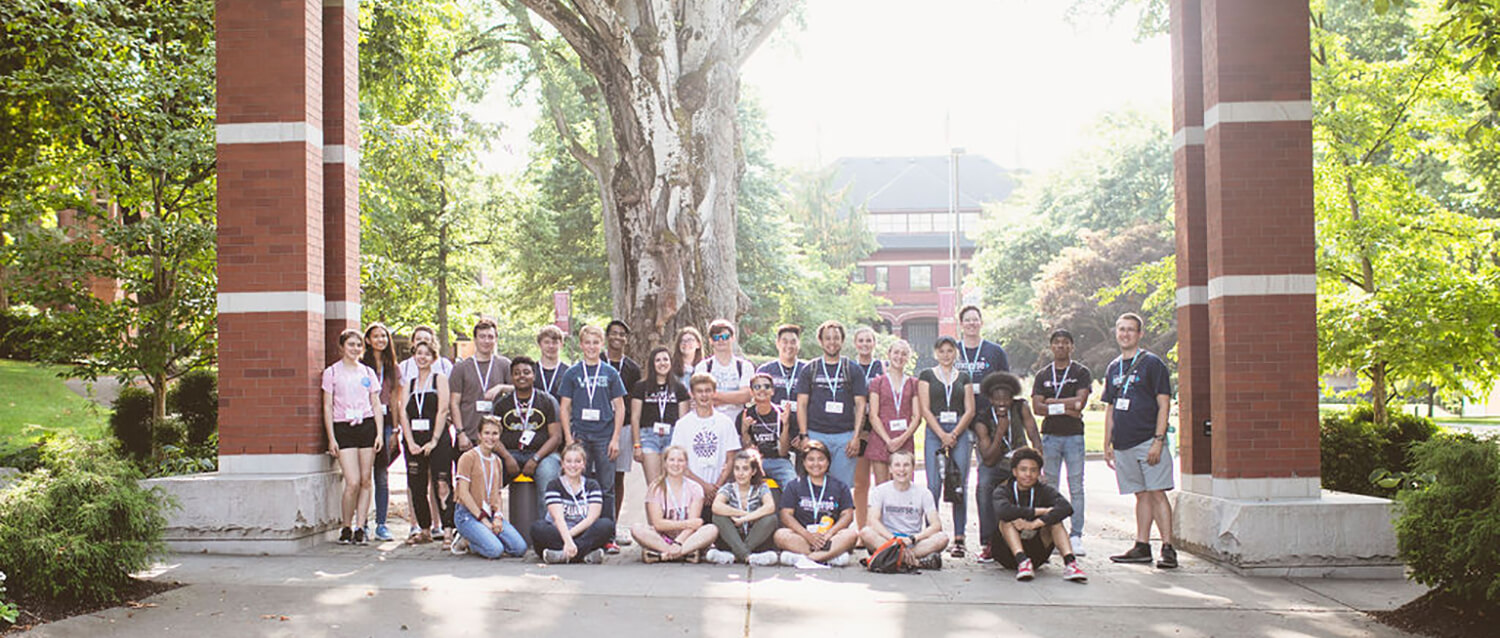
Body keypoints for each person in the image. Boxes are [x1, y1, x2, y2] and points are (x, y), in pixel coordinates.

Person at [1103, 312, 1177, 569]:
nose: (1125, 334)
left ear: (1140, 334)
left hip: (1148, 440)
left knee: (1157, 493)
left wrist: (1158, 439)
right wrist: (1107, 443)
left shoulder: (1152, 364)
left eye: (1130, 330)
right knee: (1141, 495)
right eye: (1121, 329)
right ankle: (1142, 545)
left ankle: (1168, 548)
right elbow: (1110, 407)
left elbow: (1163, 402)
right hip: (1123, 443)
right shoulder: (1113, 367)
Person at [1030, 329, 1093, 556]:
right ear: (1051, 347)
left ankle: (1076, 536)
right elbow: (1037, 408)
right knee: (1050, 487)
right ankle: (1054, 533)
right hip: (1050, 437)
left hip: (1074, 436)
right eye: (1057, 343)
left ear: (1072, 347)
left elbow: (1081, 404)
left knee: (1076, 486)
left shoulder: (1081, 372)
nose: (1061, 346)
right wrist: (1067, 406)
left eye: (1066, 343)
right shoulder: (1043, 374)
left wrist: (1052, 402)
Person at [447, 318, 513, 534]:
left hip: (496, 438)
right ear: (475, 339)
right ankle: (465, 527)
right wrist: (460, 433)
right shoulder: (461, 367)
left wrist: (501, 386)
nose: (487, 341)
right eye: (482, 336)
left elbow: (520, 388)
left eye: (491, 337)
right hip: (469, 435)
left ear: (496, 339)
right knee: (467, 485)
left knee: (493, 485)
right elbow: (454, 402)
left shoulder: (503, 364)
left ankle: (494, 522)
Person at [556, 325, 628, 516]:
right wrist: (568, 440)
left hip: (605, 436)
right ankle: (582, 527)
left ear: (602, 345)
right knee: (580, 484)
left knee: (607, 486)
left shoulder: (610, 373)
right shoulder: (572, 373)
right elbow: (564, 407)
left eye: (595, 343)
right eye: (587, 343)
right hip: (580, 436)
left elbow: (620, 407)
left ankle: (607, 533)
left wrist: (615, 438)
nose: (591, 347)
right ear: (581, 345)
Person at [321, 329, 384, 545]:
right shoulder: (332, 372)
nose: (355, 348)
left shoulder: (367, 372)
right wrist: (332, 438)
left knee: (367, 480)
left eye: (358, 345)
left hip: (366, 426)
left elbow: (375, 403)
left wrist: (379, 433)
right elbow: (327, 407)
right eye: (351, 344)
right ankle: (346, 526)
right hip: (343, 427)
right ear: (342, 347)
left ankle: (360, 527)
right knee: (353, 481)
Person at [973, 372, 1042, 562]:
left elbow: (1034, 434)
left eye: (1006, 399)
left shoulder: (1021, 408)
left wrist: (1038, 460)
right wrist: (1001, 431)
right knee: (984, 485)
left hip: (1020, 461)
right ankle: (988, 543)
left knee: (1039, 486)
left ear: (1012, 399)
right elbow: (987, 458)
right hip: (996, 463)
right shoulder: (982, 419)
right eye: (997, 399)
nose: (1002, 403)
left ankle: (1037, 539)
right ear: (990, 399)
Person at [917, 335, 975, 558]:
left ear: (955, 353)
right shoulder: (927, 375)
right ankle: (931, 537)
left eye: (950, 351)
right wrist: (941, 434)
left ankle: (959, 538)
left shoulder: (964, 377)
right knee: (933, 486)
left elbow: (969, 409)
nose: (946, 355)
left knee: (958, 485)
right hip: (935, 432)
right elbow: (924, 408)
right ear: (936, 353)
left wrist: (954, 434)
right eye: (942, 351)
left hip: (959, 432)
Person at [994, 447, 1087, 583]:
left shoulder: (1044, 490)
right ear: (1014, 472)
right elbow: (1003, 510)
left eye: (1033, 470)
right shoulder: (1003, 490)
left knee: (1055, 521)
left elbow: (1066, 507)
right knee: (1006, 520)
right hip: (1007, 553)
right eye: (1023, 470)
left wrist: (1035, 523)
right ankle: (1022, 562)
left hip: (1037, 553)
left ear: (1039, 473)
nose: (1028, 474)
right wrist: (1040, 511)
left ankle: (1070, 564)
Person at [794, 320, 869, 489]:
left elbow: (861, 405)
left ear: (842, 341)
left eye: (836, 338)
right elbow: (802, 404)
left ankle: (841, 517)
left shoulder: (853, 369)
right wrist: (804, 436)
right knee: (813, 486)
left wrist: (856, 437)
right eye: (827, 338)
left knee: (842, 488)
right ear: (820, 341)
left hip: (845, 437)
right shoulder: (810, 369)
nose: (832, 342)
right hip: (816, 435)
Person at [398, 325, 455, 541]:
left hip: (437, 439)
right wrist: (410, 441)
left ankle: (448, 529)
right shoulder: (409, 383)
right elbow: (403, 412)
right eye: (419, 353)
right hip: (414, 441)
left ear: (433, 357)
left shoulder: (439, 378)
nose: (422, 357)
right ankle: (424, 529)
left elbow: (442, 409)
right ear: (414, 355)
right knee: (417, 485)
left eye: (427, 354)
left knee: (442, 484)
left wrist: (434, 440)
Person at [492, 356, 563, 519]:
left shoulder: (547, 401)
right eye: (516, 373)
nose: (521, 376)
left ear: (534, 375)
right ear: (511, 377)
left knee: (548, 475)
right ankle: (488, 526)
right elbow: (493, 437)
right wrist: (507, 458)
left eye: (526, 372)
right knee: (488, 477)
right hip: (509, 453)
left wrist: (536, 459)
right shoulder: (501, 404)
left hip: (543, 455)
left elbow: (556, 437)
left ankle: (546, 531)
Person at [450, 416, 528, 558]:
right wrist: (483, 520)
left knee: (519, 548)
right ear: (479, 435)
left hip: (490, 513)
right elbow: (463, 493)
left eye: (494, 434)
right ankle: (467, 540)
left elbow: (497, 493)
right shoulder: (468, 457)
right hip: (469, 514)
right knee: (495, 551)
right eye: (486, 433)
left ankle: (485, 537)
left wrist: (498, 516)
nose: (490, 438)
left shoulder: (497, 460)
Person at [773, 440, 859, 567]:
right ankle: (829, 557)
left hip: (829, 537)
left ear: (828, 462)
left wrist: (828, 535)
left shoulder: (840, 486)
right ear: (803, 462)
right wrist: (808, 536)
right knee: (780, 535)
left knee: (851, 534)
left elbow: (847, 515)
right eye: (811, 459)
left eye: (821, 459)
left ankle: (809, 558)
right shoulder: (794, 485)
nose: (816, 464)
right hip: (803, 536)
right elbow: (786, 515)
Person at [630, 446, 719, 563]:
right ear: (665, 463)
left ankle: (665, 555)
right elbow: (658, 524)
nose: (676, 464)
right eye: (671, 460)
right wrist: (686, 524)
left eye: (680, 460)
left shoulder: (695, 488)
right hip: (663, 537)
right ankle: (684, 553)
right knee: (636, 529)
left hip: (687, 537)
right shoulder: (656, 488)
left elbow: (694, 525)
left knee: (712, 529)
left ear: (686, 464)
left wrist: (678, 542)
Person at [860, 451, 947, 570]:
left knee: (942, 538)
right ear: (890, 469)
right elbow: (873, 520)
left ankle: (890, 558)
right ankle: (915, 562)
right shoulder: (879, 491)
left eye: (906, 465)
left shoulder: (924, 493)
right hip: (888, 540)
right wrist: (894, 540)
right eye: (897, 465)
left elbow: (936, 525)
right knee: (866, 532)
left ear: (913, 468)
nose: (902, 470)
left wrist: (913, 538)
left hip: (912, 541)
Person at [531, 443, 614, 564]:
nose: (573, 465)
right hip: (558, 532)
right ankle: (584, 555)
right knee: (538, 528)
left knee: (606, 524)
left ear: (584, 464)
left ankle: (562, 555)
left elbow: (591, 518)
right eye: (569, 461)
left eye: (577, 461)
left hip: (582, 533)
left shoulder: (592, 485)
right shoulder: (554, 485)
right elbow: (558, 518)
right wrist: (567, 540)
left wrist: (570, 539)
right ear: (562, 464)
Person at [670, 373, 742, 506]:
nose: (704, 395)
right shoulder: (683, 425)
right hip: (690, 492)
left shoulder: (725, 422)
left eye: (708, 391)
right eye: (699, 391)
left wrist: (716, 488)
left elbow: (730, 458)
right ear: (692, 394)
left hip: (720, 492)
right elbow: (680, 462)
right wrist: (704, 487)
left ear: (714, 392)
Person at [361, 323, 401, 541]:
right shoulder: (361, 366)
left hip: (386, 423)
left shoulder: (393, 367)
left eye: (384, 336)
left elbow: (394, 398)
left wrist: (396, 428)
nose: (380, 340)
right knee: (364, 475)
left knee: (382, 475)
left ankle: (382, 525)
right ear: (368, 340)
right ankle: (362, 523)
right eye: (376, 336)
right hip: (366, 423)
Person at [630, 347, 692, 487]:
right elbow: (635, 418)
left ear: (671, 362)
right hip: (648, 437)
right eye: (658, 360)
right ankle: (653, 510)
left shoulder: (679, 388)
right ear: (652, 364)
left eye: (665, 359)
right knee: (654, 486)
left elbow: (683, 420)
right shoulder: (641, 387)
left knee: (671, 485)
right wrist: (637, 445)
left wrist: (681, 446)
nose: (662, 363)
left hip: (672, 437)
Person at [707, 449, 781, 565]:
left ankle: (735, 556)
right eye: (737, 468)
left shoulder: (761, 487)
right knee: (718, 517)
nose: (740, 473)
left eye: (745, 469)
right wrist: (741, 513)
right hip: (732, 537)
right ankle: (747, 556)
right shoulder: (728, 487)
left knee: (771, 518)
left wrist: (746, 518)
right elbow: (716, 506)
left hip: (755, 537)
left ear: (753, 471)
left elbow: (770, 506)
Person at [604, 319, 642, 541]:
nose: (617, 338)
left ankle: (613, 527)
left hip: (624, 426)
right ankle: (597, 524)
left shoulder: (632, 368)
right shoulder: (596, 361)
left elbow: (635, 402)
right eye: (614, 333)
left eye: (622, 335)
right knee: (597, 477)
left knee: (617, 478)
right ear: (607, 336)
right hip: (599, 426)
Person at [866, 339, 918, 489]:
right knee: (882, 490)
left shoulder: (914, 383)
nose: (899, 357)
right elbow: (873, 415)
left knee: (904, 488)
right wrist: (888, 440)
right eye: (896, 352)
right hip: (881, 441)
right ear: (889, 354)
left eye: (904, 354)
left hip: (905, 440)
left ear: (908, 358)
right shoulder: (877, 382)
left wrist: (902, 439)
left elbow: (917, 416)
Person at [756, 324, 806, 479]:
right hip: (774, 434)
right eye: (784, 341)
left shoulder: (807, 370)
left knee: (803, 481)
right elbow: (758, 402)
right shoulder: (766, 370)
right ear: (777, 343)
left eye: (793, 341)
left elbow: (814, 404)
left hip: (801, 435)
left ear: (799, 344)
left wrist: (805, 435)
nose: (789, 346)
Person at [850, 326, 885, 528]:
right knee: (861, 483)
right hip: (859, 428)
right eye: (861, 341)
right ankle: (862, 529)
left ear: (874, 343)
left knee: (883, 484)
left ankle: (881, 528)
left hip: (879, 429)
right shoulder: (850, 367)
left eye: (868, 341)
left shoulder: (882, 366)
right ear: (855, 344)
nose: (865, 344)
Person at [739, 373, 796, 487]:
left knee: (792, 485)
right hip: (754, 461)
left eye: (766, 386)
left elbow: (783, 452)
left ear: (773, 391)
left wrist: (785, 425)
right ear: (751, 392)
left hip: (779, 462)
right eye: (757, 387)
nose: (762, 390)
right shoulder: (746, 415)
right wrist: (744, 430)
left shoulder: (782, 413)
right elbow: (746, 448)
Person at [694, 319, 755, 423]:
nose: (721, 340)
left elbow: (746, 396)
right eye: (716, 337)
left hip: (736, 423)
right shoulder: (703, 367)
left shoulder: (744, 366)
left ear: (732, 338)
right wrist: (734, 397)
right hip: (709, 422)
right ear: (711, 341)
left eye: (725, 337)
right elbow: (699, 396)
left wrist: (714, 396)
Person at [955, 305, 1010, 419]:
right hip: (959, 411)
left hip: (988, 411)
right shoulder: (951, 350)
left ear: (981, 323)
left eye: (975, 320)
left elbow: (1006, 382)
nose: (971, 323)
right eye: (967, 320)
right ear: (961, 324)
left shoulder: (995, 351)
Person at [535, 325, 569, 397]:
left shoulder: (568, 372)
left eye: (555, 342)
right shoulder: (531, 370)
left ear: (561, 345)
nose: (551, 346)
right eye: (547, 342)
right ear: (539, 344)